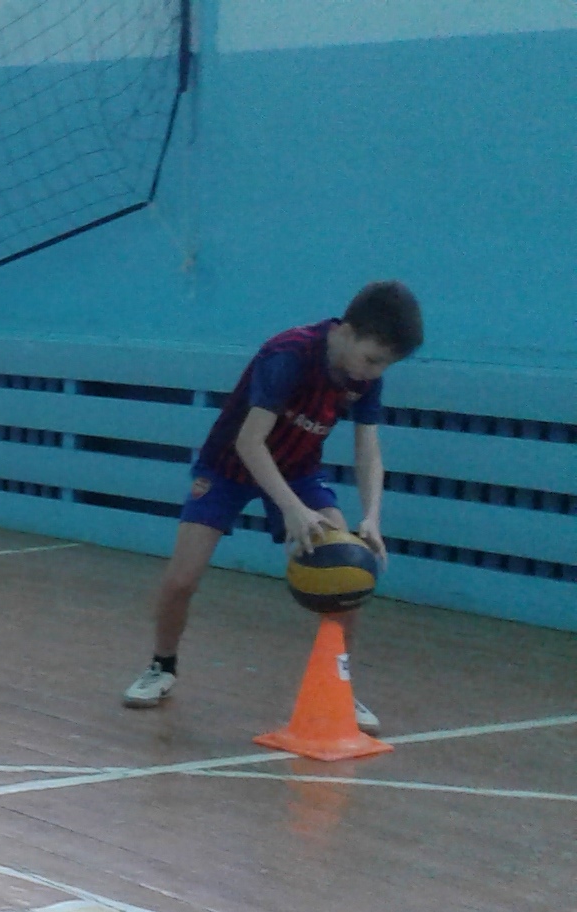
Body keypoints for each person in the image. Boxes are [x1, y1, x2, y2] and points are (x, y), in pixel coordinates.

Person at [124, 281, 424, 726]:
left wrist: (372, 518)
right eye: (372, 359)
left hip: (298, 469)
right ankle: (161, 666)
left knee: (347, 574)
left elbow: (368, 450)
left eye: (385, 365)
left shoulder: (364, 379)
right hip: (228, 467)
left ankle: (338, 687)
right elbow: (249, 442)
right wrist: (292, 509)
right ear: (345, 331)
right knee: (182, 579)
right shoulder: (289, 354)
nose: (374, 373)